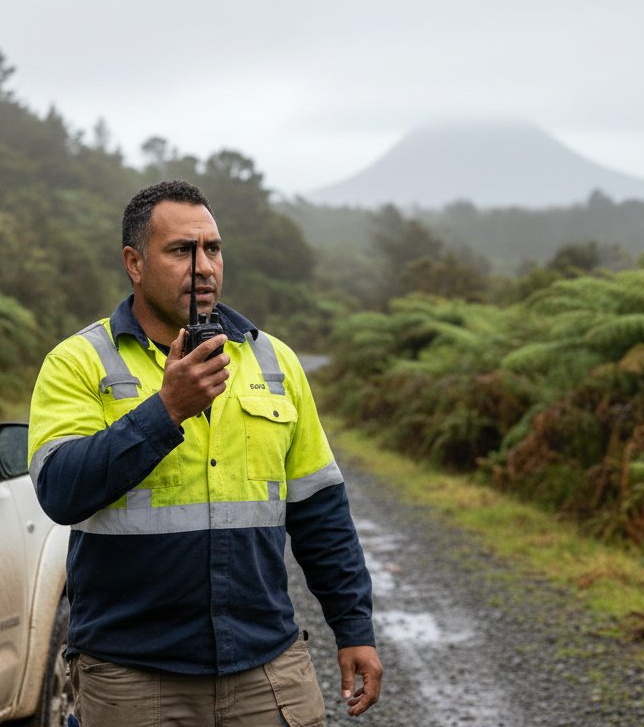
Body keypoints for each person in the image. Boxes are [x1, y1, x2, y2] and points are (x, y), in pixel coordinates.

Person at [27, 179, 382, 726]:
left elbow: (319, 510)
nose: (203, 267)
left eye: (212, 249)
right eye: (180, 251)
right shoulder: (78, 363)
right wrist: (166, 409)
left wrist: (354, 626)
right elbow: (61, 491)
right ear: (134, 262)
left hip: (267, 667)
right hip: (132, 675)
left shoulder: (274, 361)